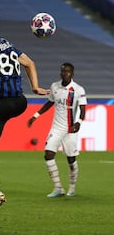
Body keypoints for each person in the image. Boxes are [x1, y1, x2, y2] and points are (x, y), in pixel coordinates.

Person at [0, 14, 50, 220]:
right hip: (20, 102)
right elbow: (30, 63)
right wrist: (34, 87)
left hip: (2, 103)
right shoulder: (8, 45)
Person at [27, 62, 86, 197]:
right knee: (48, 154)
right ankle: (58, 187)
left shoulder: (78, 90)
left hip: (70, 129)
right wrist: (36, 115)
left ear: (72, 74)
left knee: (71, 160)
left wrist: (79, 122)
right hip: (57, 128)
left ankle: (72, 187)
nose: (65, 74)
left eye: (68, 72)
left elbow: (83, 109)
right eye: (63, 71)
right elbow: (50, 102)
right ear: (60, 73)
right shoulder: (55, 87)